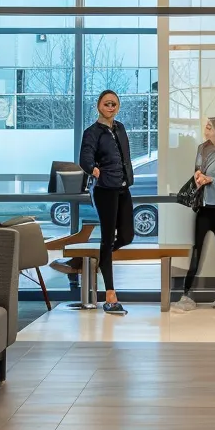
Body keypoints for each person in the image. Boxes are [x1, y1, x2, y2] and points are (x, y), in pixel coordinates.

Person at [174, 117, 215, 313]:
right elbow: (197, 169)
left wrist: (212, 180)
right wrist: (198, 176)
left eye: (209, 127)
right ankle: (186, 294)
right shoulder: (203, 148)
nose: (206, 129)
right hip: (204, 206)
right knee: (197, 248)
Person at [79, 90, 134, 315]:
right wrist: (95, 170)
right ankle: (110, 294)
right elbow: (84, 158)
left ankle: (104, 259)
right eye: (106, 104)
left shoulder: (120, 128)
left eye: (114, 104)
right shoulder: (92, 132)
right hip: (105, 190)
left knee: (127, 235)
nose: (110, 107)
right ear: (98, 106)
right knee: (107, 236)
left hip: (123, 187)